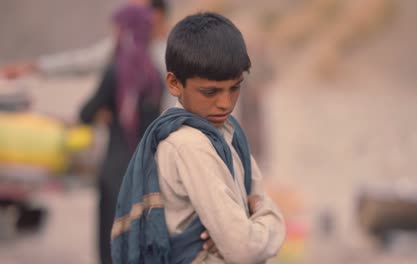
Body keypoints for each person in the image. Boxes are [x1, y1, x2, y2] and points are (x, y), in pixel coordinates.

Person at [111, 12, 286, 263]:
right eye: (210, 92)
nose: (225, 103)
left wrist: (244, 227)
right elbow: (245, 248)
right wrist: (267, 216)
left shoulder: (227, 132)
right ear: (173, 83)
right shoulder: (190, 145)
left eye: (235, 87)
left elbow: (244, 224)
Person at [79, 5, 164, 264]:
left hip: (114, 174)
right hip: (146, 175)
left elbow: (85, 113)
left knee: (111, 249)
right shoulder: (155, 76)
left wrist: (107, 114)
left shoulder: (115, 72)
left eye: (117, 30)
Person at [0, 0, 176, 110]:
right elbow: (79, 61)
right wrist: (33, 67)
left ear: (156, 16)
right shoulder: (123, 49)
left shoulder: (172, 53)